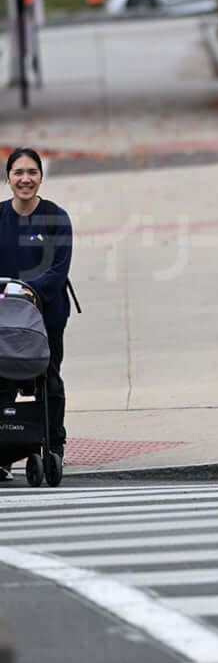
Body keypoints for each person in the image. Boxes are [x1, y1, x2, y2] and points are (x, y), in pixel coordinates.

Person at [0, 148, 73, 481]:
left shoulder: (56, 218)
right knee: (3, 381)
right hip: (3, 318)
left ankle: (53, 445)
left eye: (32, 172)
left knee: (49, 377)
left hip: (46, 315)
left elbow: (58, 270)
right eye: (18, 172)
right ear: (9, 177)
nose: (25, 179)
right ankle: (4, 452)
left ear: (41, 177)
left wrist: (25, 290)